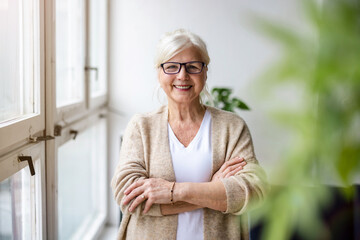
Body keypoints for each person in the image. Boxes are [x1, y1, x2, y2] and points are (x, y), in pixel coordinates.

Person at [111, 29, 267, 240]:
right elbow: (129, 196)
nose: (183, 75)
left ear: (205, 72)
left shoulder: (232, 126)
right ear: (159, 73)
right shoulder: (141, 126)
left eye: (193, 67)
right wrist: (213, 190)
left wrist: (174, 191)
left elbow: (252, 191)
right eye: (172, 67)